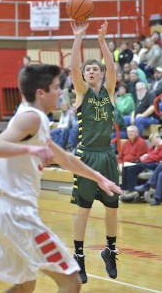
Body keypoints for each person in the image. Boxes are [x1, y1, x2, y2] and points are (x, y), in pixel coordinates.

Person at [0, 64, 122, 293]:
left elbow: (63, 158)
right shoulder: (30, 118)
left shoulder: (37, 119)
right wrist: (31, 151)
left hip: (7, 212)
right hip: (17, 215)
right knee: (70, 281)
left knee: (26, 285)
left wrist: (98, 177)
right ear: (40, 93)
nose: (60, 92)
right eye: (56, 88)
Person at [70, 20, 120, 284]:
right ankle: (79, 257)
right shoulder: (81, 93)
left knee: (113, 208)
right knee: (84, 210)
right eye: (87, 69)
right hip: (86, 157)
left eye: (94, 69)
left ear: (100, 74)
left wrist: (102, 42)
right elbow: (72, 69)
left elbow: (111, 67)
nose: (91, 71)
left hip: (107, 156)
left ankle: (110, 250)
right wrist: (79, 37)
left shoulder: (109, 91)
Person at [120, 132, 162, 202]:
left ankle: (133, 190)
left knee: (131, 168)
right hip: (148, 163)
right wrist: (148, 157)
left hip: (156, 165)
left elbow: (160, 157)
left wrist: (148, 157)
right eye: (152, 141)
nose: (154, 142)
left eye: (154, 140)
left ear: (159, 138)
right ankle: (126, 189)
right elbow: (148, 155)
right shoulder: (153, 147)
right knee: (126, 166)